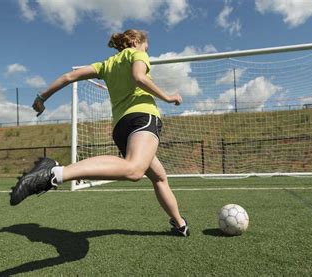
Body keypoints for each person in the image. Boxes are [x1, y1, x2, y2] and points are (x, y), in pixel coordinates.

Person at [10, 29, 189, 237]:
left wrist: (42, 98)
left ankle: (180, 223)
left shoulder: (106, 65)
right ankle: (55, 173)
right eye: (146, 47)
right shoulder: (136, 54)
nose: (146, 51)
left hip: (122, 128)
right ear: (134, 42)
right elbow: (138, 77)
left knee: (159, 177)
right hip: (143, 118)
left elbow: (69, 76)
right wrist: (167, 97)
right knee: (134, 170)